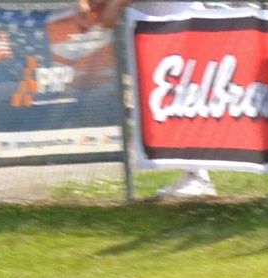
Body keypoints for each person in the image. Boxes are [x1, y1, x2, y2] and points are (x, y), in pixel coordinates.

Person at [80, 0, 216, 197]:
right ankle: (195, 175)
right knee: (167, 102)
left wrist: (114, 5)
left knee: (180, 99)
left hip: (179, 22)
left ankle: (199, 177)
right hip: (154, 27)